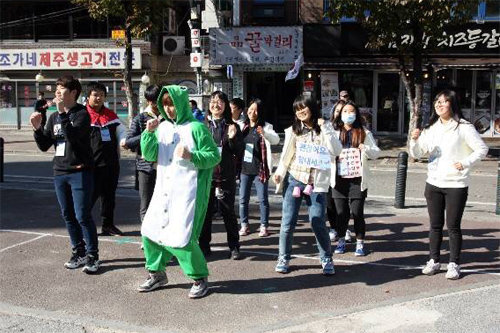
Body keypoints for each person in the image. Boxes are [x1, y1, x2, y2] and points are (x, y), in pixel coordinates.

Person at [138, 85, 220, 298]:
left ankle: (199, 277)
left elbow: (213, 156)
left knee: (181, 237)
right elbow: (149, 154)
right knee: (150, 231)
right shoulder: (162, 127)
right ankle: (156, 273)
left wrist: (192, 155)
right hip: (163, 190)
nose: (169, 109)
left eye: (172, 103)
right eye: (164, 104)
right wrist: (148, 133)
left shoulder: (196, 128)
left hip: (187, 192)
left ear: (181, 103)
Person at [409, 90, 488, 280]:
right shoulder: (431, 128)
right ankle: (434, 260)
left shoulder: (464, 127)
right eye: (437, 101)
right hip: (433, 182)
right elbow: (417, 153)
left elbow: (482, 148)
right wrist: (414, 139)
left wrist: (465, 163)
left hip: (456, 184)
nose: (440, 104)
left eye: (444, 101)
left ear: (452, 104)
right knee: (435, 225)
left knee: (453, 226)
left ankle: (454, 263)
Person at [30, 75, 100, 273]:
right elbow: (45, 145)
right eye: (56, 89)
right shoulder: (53, 117)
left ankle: (93, 256)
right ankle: (78, 251)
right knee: (67, 214)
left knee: (82, 215)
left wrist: (62, 113)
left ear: (74, 93)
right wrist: (37, 129)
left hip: (80, 172)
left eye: (61, 89)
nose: (57, 92)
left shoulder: (81, 114)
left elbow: (74, 137)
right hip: (60, 172)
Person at [273, 94, 342, 275]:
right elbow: (286, 156)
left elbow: (336, 150)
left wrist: (325, 126)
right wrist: (279, 174)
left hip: (316, 183)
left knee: (317, 220)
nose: (301, 111)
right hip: (294, 180)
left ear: (311, 107)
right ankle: (284, 257)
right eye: (297, 109)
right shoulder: (293, 131)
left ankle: (326, 257)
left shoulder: (325, 128)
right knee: (288, 222)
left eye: (303, 107)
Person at [331, 101, 380, 256]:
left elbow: (376, 152)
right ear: (340, 114)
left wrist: (365, 148)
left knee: (357, 212)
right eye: (345, 112)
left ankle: (360, 243)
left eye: (351, 111)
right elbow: (326, 150)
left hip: (357, 179)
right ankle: (341, 241)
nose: (348, 115)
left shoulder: (363, 132)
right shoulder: (334, 132)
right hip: (338, 179)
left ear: (356, 114)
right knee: (341, 214)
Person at [199, 91, 244, 260]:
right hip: (206, 176)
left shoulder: (232, 126)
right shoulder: (202, 126)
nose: (215, 105)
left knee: (228, 212)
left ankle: (234, 247)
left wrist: (232, 139)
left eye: (220, 102)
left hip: (225, 176)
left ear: (225, 106)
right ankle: (204, 246)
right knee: (206, 212)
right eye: (212, 101)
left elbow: (238, 151)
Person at [86, 82, 127, 236]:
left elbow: (123, 131)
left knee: (109, 197)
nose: (99, 98)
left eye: (102, 95)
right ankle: (83, 225)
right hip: (91, 166)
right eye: (95, 95)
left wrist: (124, 140)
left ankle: (107, 225)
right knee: (89, 198)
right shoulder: (82, 115)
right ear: (88, 96)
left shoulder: (110, 115)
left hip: (111, 164)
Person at [238, 98, 280, 237]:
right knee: (243, 199)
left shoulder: (265, 126)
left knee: (263, 199)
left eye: (256, 110)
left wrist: (265, 134)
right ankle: (244, 225)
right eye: (250, 109)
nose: (252, 112)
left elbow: (276, 140)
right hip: (244, 169)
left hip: (260, 170)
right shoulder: (242, 126)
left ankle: (264, 226)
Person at [125, 85, 163, 223]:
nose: (156, 105)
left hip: (166, 166)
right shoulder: (140, 118)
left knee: (165, 204)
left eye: (159, 101)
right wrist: (147, 133)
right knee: (146, 204)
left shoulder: (169, 117)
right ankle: (147, 239)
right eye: (152, 101)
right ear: (148, 101)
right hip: (145, 167)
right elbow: (129, 141)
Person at [326, 99, 345, 241]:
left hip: (346, 169)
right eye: (337, 111)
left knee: (343, 203)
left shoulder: (353, 129)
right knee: (330, 202)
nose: (339, 114)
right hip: (329, 168)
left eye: (343, 111)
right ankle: (333, 228)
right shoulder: (328, 128)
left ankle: (344, 229)